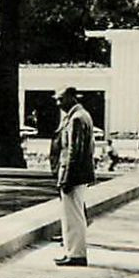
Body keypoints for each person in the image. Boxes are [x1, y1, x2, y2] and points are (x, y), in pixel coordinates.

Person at [50, 86, 96, 267]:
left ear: (71, 98)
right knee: (73, 215)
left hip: (73, 175)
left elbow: (74, 152)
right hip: (77, 174)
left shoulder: (77, 118)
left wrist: (67, 178)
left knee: (73, 216)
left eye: (61, 99)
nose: (58, 103)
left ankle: (76, 254)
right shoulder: (80, 116)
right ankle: (72, 251)